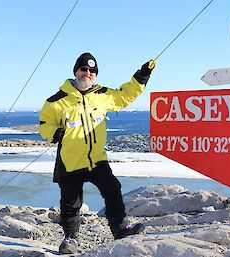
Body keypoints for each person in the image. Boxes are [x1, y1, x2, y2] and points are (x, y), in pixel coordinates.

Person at [38, 52, 155, 254]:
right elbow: (44, 124)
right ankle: (70, 239)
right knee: (70, 203)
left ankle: (120, 230)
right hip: (70, 159)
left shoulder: (103, 95)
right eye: (84, 69)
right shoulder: (56, 100)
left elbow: (125, 95)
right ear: (76, 71)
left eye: (92, 71)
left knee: (112, 189)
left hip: (96, 159)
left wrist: (142, 76)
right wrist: (54, 133)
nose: (88, 73)